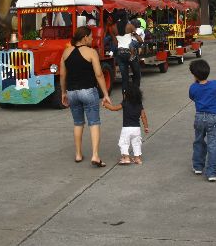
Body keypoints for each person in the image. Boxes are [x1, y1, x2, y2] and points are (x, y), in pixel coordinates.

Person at [59, 26, 112, 167]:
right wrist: (105, 94)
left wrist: (63, 92)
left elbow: (63, 75)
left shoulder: (66, 52)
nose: (92, 39)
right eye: (91, 36)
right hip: (88, 91)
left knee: (78, 123)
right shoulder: (91, 52)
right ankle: (95, 155)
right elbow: (99, 74)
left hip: (72, 92)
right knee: (94, 122)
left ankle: (78, 154)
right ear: (84, 38)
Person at [189, 59, 216, 182]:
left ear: (194, 74)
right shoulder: (214, 84)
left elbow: (192, 97)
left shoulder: (193, 87)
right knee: (214, 145)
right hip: (213, 117)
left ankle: (198, 166)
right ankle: (212, 172)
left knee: (199, 141)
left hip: (199, 117)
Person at [103, 85, 149, 165]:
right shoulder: (139, 104)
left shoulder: (125, 103)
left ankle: (126, 157)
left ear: (127, 95)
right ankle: (137, 159)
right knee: (136, 143)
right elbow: (143, 116)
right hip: (136, 129)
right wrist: (146, 127)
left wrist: (106, 105)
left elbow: (114, 108)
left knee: (123, 143)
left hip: (126, 128)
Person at [114, 13, 143, 93]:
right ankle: (135, 93)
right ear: (126, 17)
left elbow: (116, 43)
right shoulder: (130, 26)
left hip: (120, 53)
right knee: (136, 73)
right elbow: (140, 40)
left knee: (124, 77)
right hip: (130, 52)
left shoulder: (113, 28)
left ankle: (125, 96)